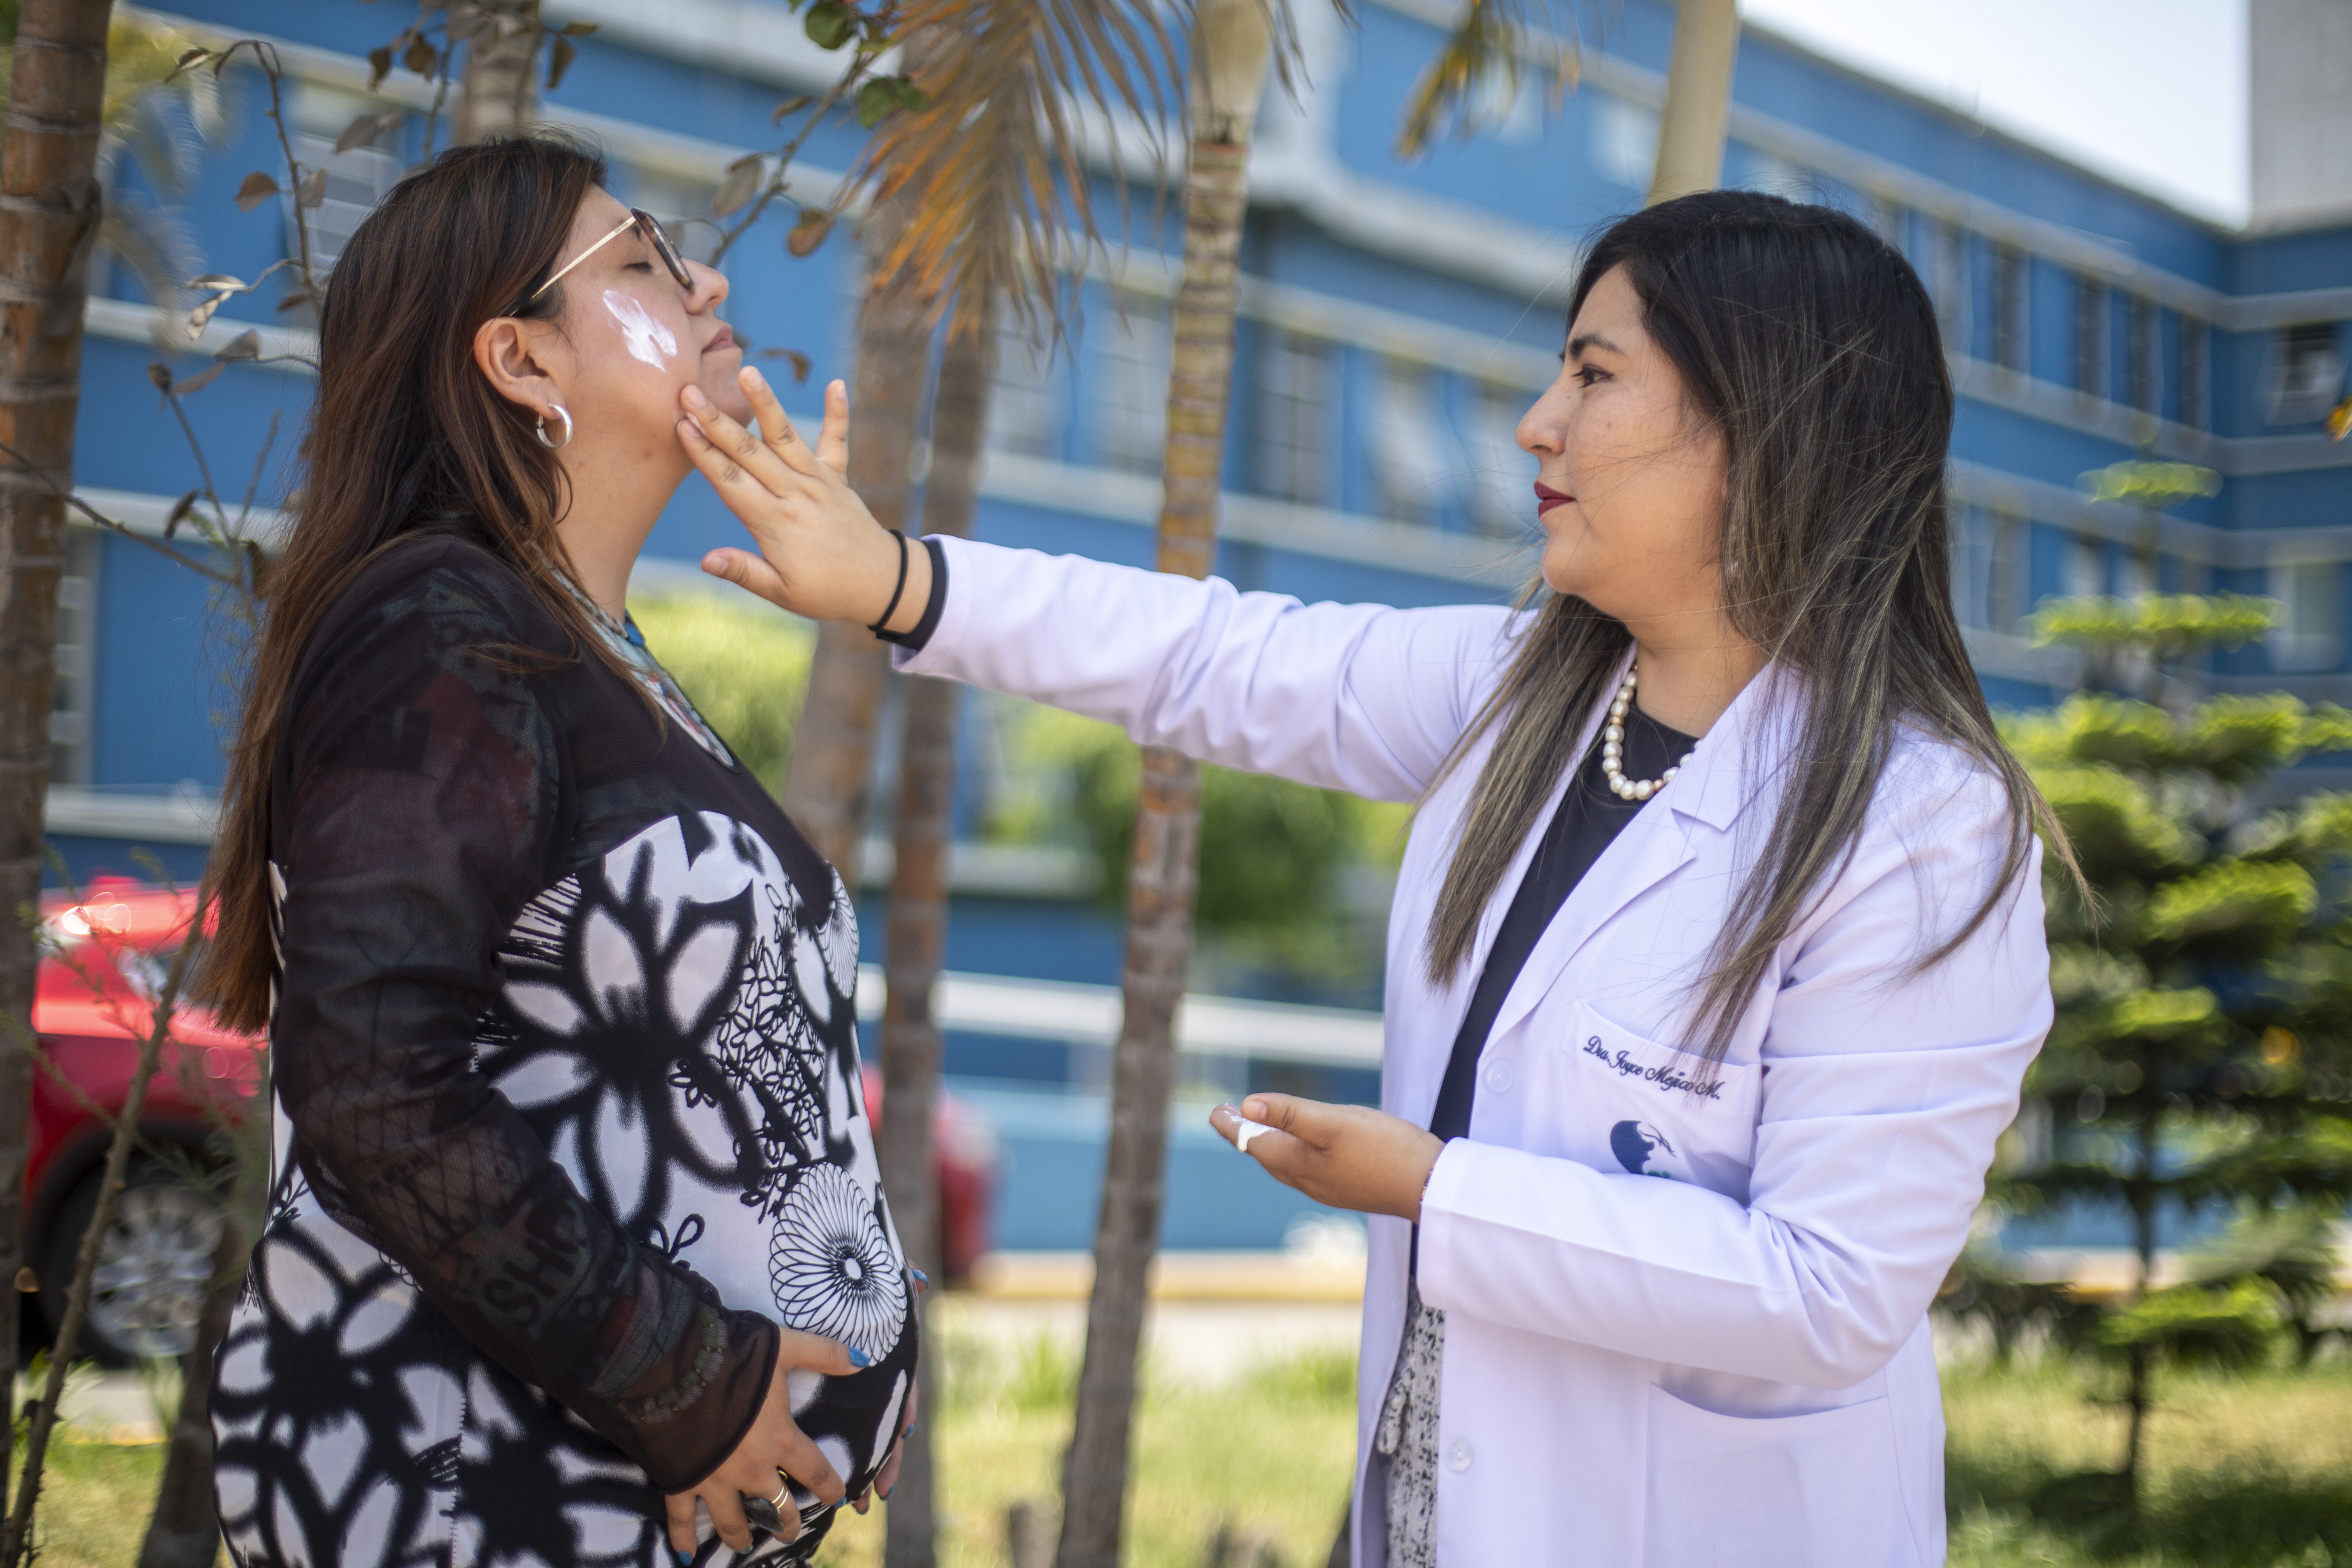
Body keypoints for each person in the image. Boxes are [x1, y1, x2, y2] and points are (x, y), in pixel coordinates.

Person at [677, 189, 2065, 1567]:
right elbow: (1214, 659)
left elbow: (1829, 1291)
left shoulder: (1923, 829)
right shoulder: (1524, 693)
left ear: (1762, 427)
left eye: (1593, 374)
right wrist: (900, 582)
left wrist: (1434, 1192)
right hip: (1425, 1502)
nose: (1539, 421)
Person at [197, 135, 916, 1568]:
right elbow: (375, 1080)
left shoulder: (577, 645)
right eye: (645, 260)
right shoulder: (439, 633)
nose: (708, 279)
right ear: (522, 363)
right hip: (466, 1490)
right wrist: (685, 1381)